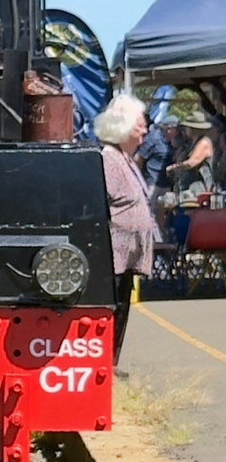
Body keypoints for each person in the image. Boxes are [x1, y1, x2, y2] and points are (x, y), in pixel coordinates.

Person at [92, 94, 156, 371]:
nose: (144, 130)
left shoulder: (125, 158)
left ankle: (112, 362)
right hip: (114, 255)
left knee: (122, 308)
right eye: (139, 125)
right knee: (114, 309)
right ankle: (107, 364)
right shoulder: (109, 159)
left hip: (125, 256)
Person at [134, 113, 179, 213]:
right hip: (152, 183)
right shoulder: (153, 138)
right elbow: (138, 158)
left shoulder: (175, 141)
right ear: (169, 129)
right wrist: (139, 179)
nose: (179, 132)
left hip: (167, 183)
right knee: (149, 211)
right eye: (177, 129)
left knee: (164, 213)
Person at [167, 111, 216, 196]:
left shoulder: (204, 142)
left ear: (192, 128)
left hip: (199, 188)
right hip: (188, 187)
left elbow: (192, 162)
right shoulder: (192, 143)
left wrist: (174, 167)